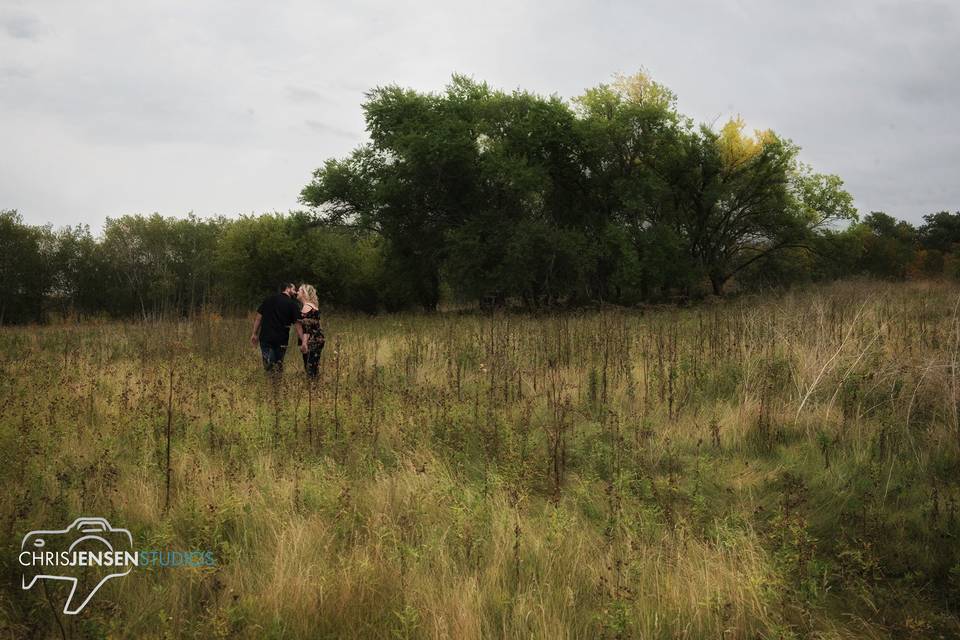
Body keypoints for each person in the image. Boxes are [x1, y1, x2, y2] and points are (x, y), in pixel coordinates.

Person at [250, 282, 307, 375]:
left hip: (265, 336)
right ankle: (276, 383)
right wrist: (303, 340)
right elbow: (298, 324)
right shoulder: (292, 304)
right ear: (287, 288)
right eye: (294, 289)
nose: (296, 292)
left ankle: (269, 373)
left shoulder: (268, 299)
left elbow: (258, 317)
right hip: (281, 338)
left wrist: (254, 333)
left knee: (268, 363)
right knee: (279, 362)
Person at [296, 283, 325, 378]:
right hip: (318, 339)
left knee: (309, 367)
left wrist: (304, 343)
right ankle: (315, 386)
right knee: (314, 366)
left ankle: (312, 388)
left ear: (304, 293)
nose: (297, 292)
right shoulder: (313, 306)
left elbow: (307, 328)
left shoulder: (307, 307)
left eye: (299, 290)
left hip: (311, 340)